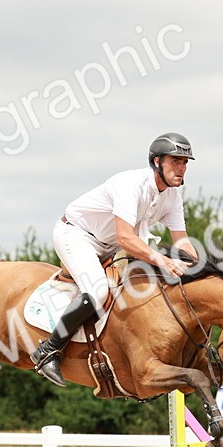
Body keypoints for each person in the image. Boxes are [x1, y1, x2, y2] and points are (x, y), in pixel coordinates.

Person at [29, 132, 199, 386]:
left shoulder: (172, 197)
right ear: (157, 162)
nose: (182, 168)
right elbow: (125, 238)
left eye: (185, 162)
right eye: (175, 161)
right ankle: (48, 350)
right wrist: (164, 261)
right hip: (76, 234)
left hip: (110, 245)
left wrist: (200, 270)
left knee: (138, 287)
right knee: (98, 291)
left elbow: (182, 242)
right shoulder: (131, 185)